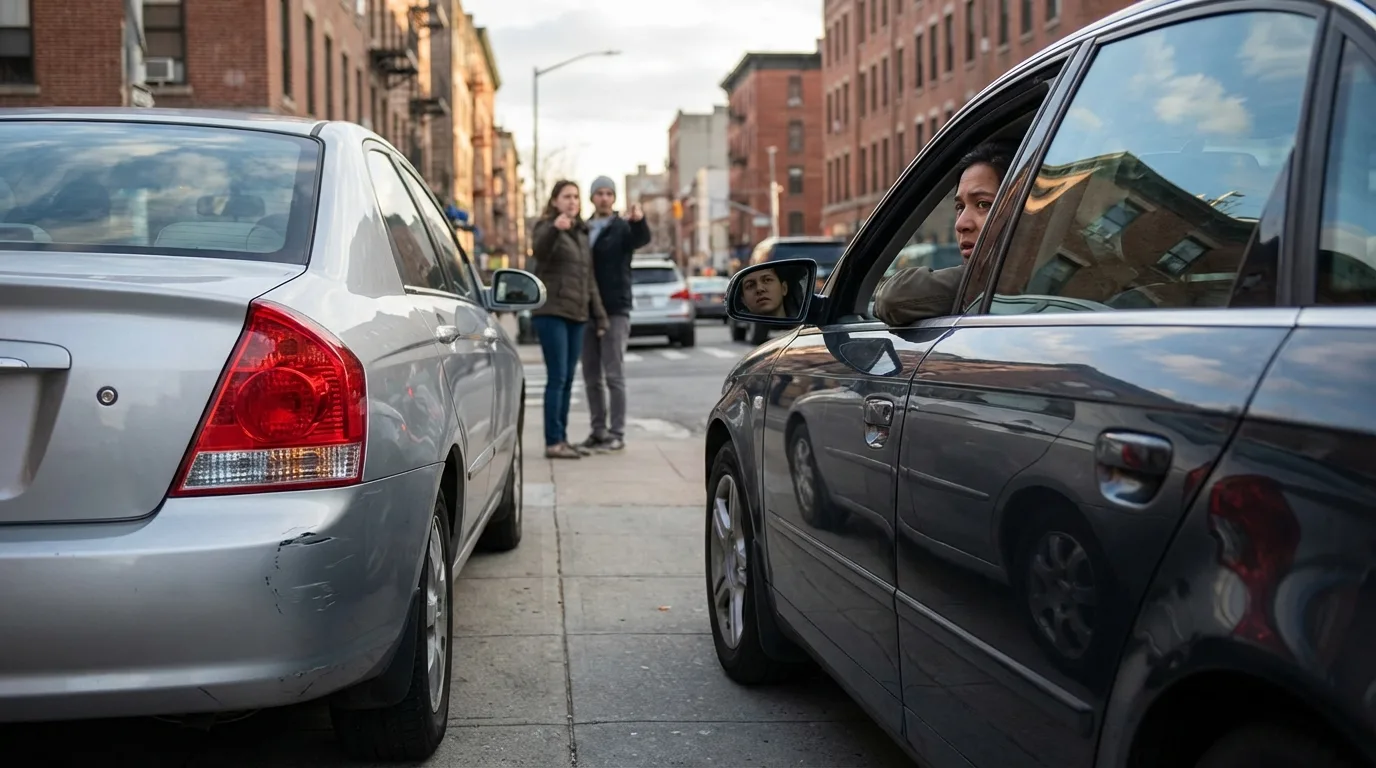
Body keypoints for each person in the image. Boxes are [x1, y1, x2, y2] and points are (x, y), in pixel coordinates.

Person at [873, 140, 1017, 326]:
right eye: (960, 206)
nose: (961, 223)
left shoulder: (1009, 283)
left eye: (983, 204)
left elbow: (892, 300)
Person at [530, 180, 608, 460]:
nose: (572, 201)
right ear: (555, 201)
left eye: (575, 197)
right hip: (552, 312)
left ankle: (562, 439)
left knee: (568, 379)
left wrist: (599, 316)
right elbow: (539, 251)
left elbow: (589, 280)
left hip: (578, 314)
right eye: (566, 197)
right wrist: (554, 229)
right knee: (557, 377)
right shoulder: (546, 227)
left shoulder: (580, 232)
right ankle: (553, 442)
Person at [579, 176, 652, 453]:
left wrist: (639, 220)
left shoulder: (623, 227)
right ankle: (598, 431)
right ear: (592, 197)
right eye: (599, 193)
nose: (604, 198)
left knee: (614, 375)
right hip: (585, 309)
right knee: (591, 376)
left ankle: (617, 432)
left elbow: (641, 238)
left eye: (609, 193)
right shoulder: (582, 228)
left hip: (614, 308)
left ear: (614, 198)